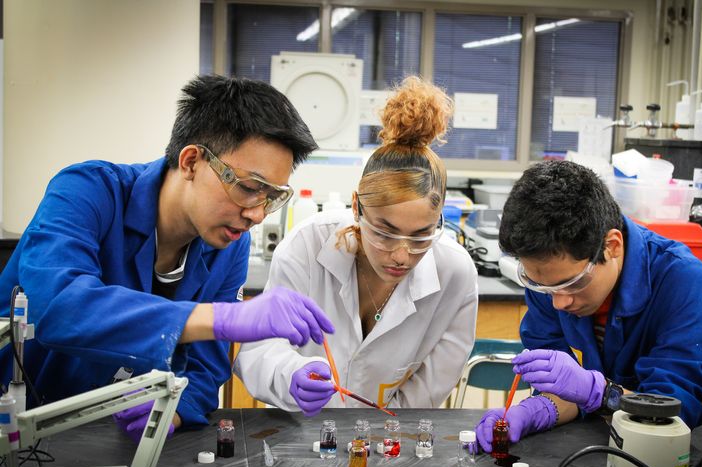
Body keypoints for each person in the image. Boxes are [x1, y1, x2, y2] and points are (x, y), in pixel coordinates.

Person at [0, 75, 334, 441]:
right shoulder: (87, 191)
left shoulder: (228, 245)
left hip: (118, 446)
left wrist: (173, 412)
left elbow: (207, 369)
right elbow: (59, 307)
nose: (257, 214)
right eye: (250, 188)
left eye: (272, 197)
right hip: (21, 429)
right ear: (191, 161)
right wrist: (223, 318)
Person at [234, 77, 478, 415]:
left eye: (422, 235)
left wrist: (377, 434)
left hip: (390, 437)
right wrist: (291, 375)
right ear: (356, 207)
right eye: (384, 232)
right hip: (301, 431)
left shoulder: (454, 272)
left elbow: (434, 381)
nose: (402, 255)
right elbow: (259, 349)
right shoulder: (308, 246)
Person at [475, 160, 702, 452]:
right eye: (544, 287)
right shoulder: (548, 277)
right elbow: (564, 392)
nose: (558, 301)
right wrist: (537, 410)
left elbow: (674, 414)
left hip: (655, 457)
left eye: (573, 283)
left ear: (612, 246)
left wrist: (601, 393)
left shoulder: (680, 280)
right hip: (583, 455)